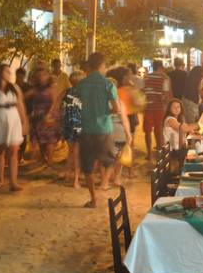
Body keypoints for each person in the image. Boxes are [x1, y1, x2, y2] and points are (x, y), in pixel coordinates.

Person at [74, 52, 132, 208]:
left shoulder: (81, 84)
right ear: (101, 66)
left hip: (86, 129)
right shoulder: (108, 85)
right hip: (103, 128)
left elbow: (75, 106)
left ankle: (93, 198)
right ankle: (106, 184)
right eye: (105, 66)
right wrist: (105, 111)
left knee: (87, 165)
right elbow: (116, 108)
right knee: (109, 159)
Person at [0, 64, 29, 192]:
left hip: (13, 118)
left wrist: (24, 120)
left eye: (10, 71)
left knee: (14, 150)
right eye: (7, 71)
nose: (9, 73)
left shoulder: (14, 87)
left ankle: (13, 182)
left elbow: (20, 104)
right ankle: (0, 180)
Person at [27, 67, 61, 170]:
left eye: (44, 75)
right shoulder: (35, 89)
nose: (41, 78)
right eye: (39, 76)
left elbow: (55, 102)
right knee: (40, 140)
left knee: (50, 140)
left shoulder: (52, 87)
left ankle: (50, 163)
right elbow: (26, 96)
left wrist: (49, 114)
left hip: (49, 116)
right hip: (37, 117)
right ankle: (43, 159)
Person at [143, 60, 172, 159]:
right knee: (159, 129)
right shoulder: (164, 78)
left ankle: (148, 153)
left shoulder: (146, 77)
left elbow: (142, 91)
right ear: (161, 67)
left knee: (147, 131)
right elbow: (165, 94)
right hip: (159, 107)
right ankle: (159, 151)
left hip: (148, 107)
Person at [61, 71, 85, 188]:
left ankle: (67, 175)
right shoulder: (84, 94)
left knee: (70, 151)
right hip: (79, 126)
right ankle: (75, 180)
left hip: (67, 125)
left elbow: (60, 108)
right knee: (77, 154)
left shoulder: (66, 92)